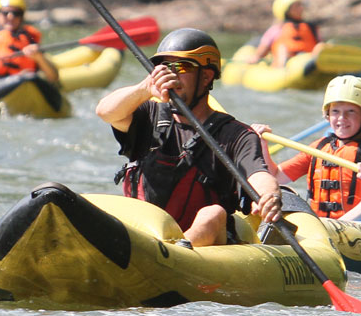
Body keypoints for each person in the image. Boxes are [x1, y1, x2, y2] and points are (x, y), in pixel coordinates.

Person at [97, 28, 282, 247]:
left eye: (181, 67)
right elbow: (105, 111)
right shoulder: (148, 115)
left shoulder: (236, 134)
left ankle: (179, 250)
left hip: (204, 245)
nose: (170, 75)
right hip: (143, 237)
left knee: (212, 214)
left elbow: (258, 175)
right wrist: (145, 88)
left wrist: (270, 195)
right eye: (164, 67)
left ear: (206, 76)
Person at [272, 75, 361, 221]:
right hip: (321, 222)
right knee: (280, 190)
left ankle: (340, 226)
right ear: (328, 115)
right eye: (336, 111)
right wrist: (259, 142)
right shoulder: (318, 148)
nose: (342, 118)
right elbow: (276, 176)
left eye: (351, 111)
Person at [250, 0, 322, 68]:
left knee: (321, 46)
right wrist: (256, 57)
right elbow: (263, 50)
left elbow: (318, 44)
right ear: (286, 10)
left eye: (301, 5)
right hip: (287, 65)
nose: (301, 8)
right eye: (297, 6)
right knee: (283, 49)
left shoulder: (311, 27)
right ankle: (284, 67)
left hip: (309, 61)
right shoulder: (276, 29)